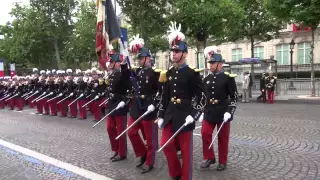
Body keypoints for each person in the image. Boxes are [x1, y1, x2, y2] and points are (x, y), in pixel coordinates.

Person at [157, 21, 205, 180]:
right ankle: (175, 172)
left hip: (185, 115)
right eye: (172, 51)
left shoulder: (192, 73)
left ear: (185, 54)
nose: (173, 54)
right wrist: (160, 115)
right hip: (170, 114)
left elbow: (202, 97)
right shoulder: (168, 73)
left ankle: (185, 177)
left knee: (186, 151)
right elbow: (165, 96)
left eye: (177, 51)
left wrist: (195, 114)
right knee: (165, 144)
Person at [200, 45, 238, 171]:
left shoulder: (228, 78)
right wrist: (201, 111)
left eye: (213, 63)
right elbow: (203, 97)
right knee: (205, 133)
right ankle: (210, 157)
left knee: (222, 138)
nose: (210, 65)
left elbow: (234, 97)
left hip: (223, 111)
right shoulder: (206, 79)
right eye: (209, 62)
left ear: (220, 64)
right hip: (209, 111)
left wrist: (230, 112)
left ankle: (223, 161)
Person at [127, 35, 160, 173]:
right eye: (138, 58)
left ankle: (149, 161)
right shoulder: (137, 72)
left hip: (148, 106)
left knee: (150, 138)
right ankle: (142, 153)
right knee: (131, 132)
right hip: (136, 106)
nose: (139, 60)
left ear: (147, 58)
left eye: (141, 58)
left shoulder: (155, 73)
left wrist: (154, 104)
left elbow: (161, 92)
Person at [105, 52, 132, 162]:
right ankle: (116, 148)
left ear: (117, 63)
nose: (110, 64)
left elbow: (127, 80)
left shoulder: (122, 73)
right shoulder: (111, 74)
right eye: (110, 61)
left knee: (120, 130)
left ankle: (122, 153)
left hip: (120, 104)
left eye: (112, 62)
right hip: (112, 104)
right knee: (109, 128)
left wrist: (124, 64)